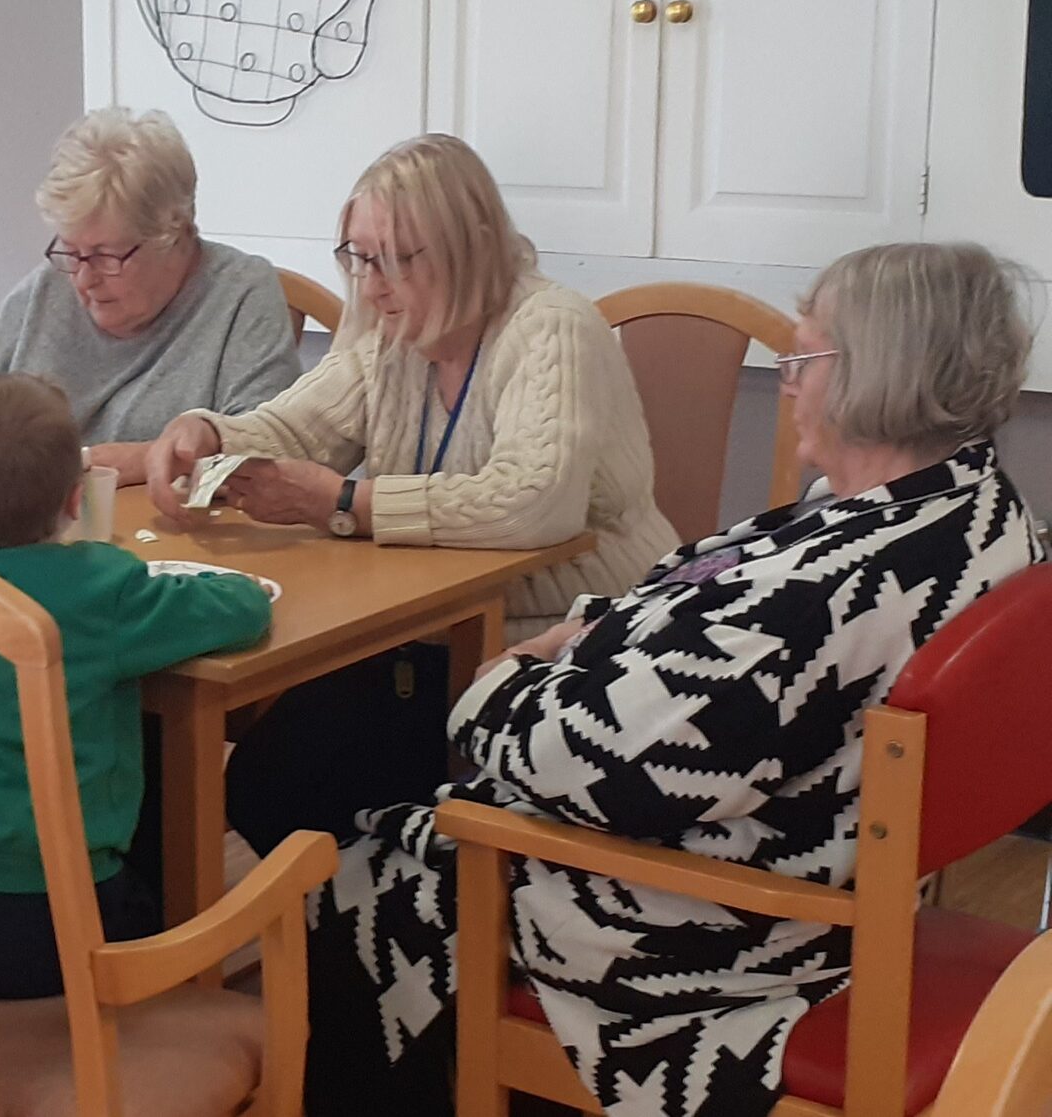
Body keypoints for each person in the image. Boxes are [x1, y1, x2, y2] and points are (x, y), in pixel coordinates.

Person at [277, 242, 1042, 1117]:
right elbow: (709, 595)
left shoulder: (825, 599)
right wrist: (588, 629)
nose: (787, 381)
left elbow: (593, 768)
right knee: (356, 769)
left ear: (881, 374)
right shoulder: (972, 508)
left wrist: (501, 680)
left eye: (805, 357)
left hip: (718, 939)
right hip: (819, 859)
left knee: (358, 871)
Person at [143, 133, 679, 838]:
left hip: (563, 637)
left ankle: (395, 895)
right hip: (421, 633)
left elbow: (533, 503)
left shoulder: (552, 327)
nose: (371, 285)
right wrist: (210, 433)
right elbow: (298, 427)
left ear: (471, 246)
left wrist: (346, 503)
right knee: (270, 787)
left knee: (316, 794)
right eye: (359, 257)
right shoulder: (389, 332)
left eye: (396, 259)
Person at [0, 374, 273, 998]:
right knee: (161, 898)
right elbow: (242, 611)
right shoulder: (101, 588)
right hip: (68, 907)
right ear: (74, 499)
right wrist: (233, 583)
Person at [0, 107, 303, 484]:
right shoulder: (53, 284)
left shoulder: (241, 293)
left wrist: (138, 460)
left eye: (105, 256)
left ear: (175, 234)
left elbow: (264, 451)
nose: (83, 278)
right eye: (71, 251)